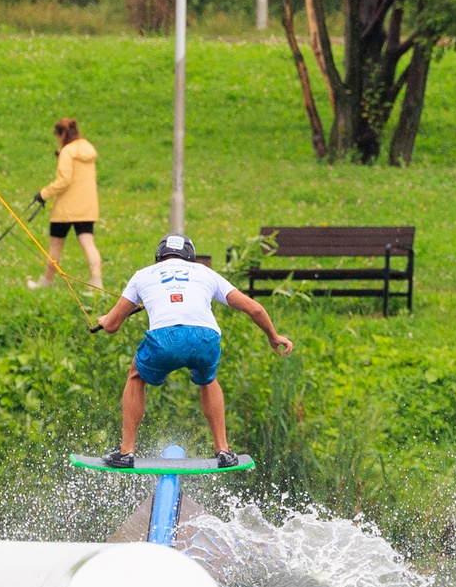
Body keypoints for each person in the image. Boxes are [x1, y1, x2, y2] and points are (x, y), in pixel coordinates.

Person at [88, 234, 292, 469]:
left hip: (165, 339)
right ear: (190, 257)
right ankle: (223, 450)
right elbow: (254, 309)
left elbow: (112, 325)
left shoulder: (143, 275)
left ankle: (126, 452)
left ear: (159, 256)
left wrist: (104, 319)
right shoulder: (205, 273)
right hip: (205, 338)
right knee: (208, 380)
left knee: (136, 375)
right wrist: (273, 336)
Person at [32, 117, 103, 291]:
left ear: (61, 134)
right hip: (87, 207)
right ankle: (97, 280)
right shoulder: (88, 149)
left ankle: (47, 281)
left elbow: (64, 181)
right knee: (88, 244)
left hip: (65, 209)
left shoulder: (67, 152)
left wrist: (43, 194)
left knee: (55, 247)